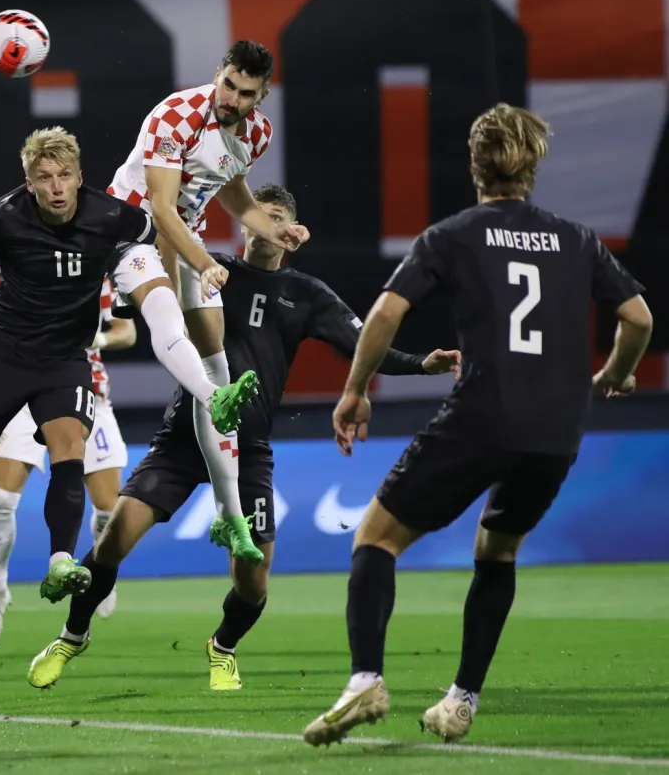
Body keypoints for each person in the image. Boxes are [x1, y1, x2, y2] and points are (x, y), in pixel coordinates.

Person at [304, 104, 652, 747]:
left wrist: (355, 390)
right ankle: (461, 700)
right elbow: (638, 317)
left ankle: (366, 680)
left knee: (376, 539)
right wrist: (614, 375)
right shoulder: (577, 239)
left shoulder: (454, 235)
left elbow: (384, 313)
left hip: (483, 413)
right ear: (533, 167)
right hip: (557, 430)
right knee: (498, 551)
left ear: (475, 166)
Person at [25, 183, 461, 690]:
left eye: (276, 218)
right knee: (114, 540)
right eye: (257, 216)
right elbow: (151, 284)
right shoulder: (209, 269)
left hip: (248, 451)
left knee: (253, 583)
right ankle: (72, 636)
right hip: (184, 438)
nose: (264, 226)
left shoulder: (306, 295)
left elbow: (362, 342)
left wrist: (419, 365)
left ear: (291, 234)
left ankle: (223, 646)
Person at [0, 127, 261, 646]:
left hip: (65, 361)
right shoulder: (5, 216)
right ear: (29, 183)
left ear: (80, 177)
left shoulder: (112, 215)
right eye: (43, 178)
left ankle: (60, 561)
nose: (56, 188)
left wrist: (193, 276)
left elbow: (165, 228)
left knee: (69, 447)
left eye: (64, 177)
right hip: (5, 354)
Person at [107, 39, 310, 564]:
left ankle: (229, 516)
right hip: (132, 232)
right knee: (168, 319)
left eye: (246, 93)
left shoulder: (256, 133)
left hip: (185, 237)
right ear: (217, 74)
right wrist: (203, 265)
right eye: (228, 85)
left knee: (217, 372)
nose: (232, 99)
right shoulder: (175, 115)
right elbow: (162, 208)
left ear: (261, 96)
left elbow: (231, 188)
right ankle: (123, 302)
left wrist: (273, 229)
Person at [0, 270, 135, 643]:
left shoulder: (95, 269)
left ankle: (101, 571)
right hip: (23, 389)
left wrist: (94, 337)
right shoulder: (12, 267)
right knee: (2, 498)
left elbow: (126, 332)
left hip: (86, 390)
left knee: (109, 509)